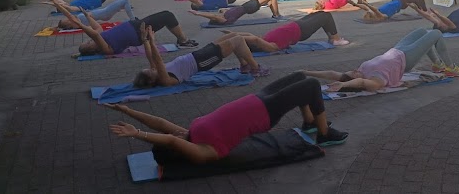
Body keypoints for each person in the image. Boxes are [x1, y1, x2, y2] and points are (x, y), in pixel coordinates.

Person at [106, 72, 349, 164]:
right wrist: (137, 135)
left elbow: (161, 125)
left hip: (256, 99)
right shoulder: (204, 151)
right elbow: (169, 141)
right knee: (312, 85)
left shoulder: (189, 133)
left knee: (298, 77)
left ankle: (309, 121)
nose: (175, 133)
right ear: (180, 149)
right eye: (175, 138)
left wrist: (127, 111)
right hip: (265, 113)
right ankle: (324, 134)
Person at [303, 28, 459, 91]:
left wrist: (306, 72)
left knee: (422, 31)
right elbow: (361, 84)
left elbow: (332, 74)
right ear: (355, 80)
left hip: (397, 49)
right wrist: (343, 85)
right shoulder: (374, 80)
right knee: (436, 33)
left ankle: (437, 65)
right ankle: (450, 68)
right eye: (352, 74)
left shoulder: (360, 72)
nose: (353, 71)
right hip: (405, 59)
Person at [47, 0, 198, 55]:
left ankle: (182, 40)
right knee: (167, 15)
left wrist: (87, 16)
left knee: (166, 16)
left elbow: (96, 28)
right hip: (139, 31)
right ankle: (183, 41)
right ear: (91, 49)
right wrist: (72, 17)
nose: (89, 41)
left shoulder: (101, 37)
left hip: (135, 24)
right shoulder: (105, 48)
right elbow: (90, 31)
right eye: (87, 43)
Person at [132, 27, 268, 88]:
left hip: (199, 54)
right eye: (150, 71)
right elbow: (157, 59)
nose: (152, 68)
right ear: (151, 81)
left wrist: (145, 39)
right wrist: (153, 41)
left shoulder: (157, 72)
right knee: (238, 40)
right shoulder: (166, 79)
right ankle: (255, 68)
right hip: (203, 61)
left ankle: (244, 65)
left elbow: (151, 57)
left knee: (234, 37)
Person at [220, 11, 349, 52]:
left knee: (321, 14)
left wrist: (232, 34)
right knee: (326, 16)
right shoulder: (270, 46)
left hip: (297, 25)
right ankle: (335, 39)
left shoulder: (264, 39)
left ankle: (332, 38)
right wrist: (236, 40)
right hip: (301, 31)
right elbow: (253, 39)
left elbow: (249, 36)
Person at [48, 0, 135, 31]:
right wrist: (55, 3)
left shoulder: (76, 20)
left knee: (123, 4)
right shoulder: (76, 22)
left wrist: (55, 27)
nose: (68, 18)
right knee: (125, 1)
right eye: (67, 20)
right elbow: (66, 13)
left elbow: (67, 12)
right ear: (68, 24)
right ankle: (133, 20)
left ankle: (132, 19)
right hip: (105, 13)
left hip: (104, 12)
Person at [350, 0, 428, 23]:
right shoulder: (383, 16)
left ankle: (422, 10)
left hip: (397, 0)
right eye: (370, 13)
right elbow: (374, 10)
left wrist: (354, 4)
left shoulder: (378, 12)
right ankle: (425, 11)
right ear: (373, 15)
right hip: (401, 3)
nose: (369, 11)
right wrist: (366, 4)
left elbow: (366, 8)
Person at [188, 0, 269, 25]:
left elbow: (215, 15)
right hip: (248, 7)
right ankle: (276, 15)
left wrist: (223, 10)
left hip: (246, 6)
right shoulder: (226, 20)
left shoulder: (225, 16)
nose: (217, 16)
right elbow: (213, 16)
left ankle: (275, 13)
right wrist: (198, 13)